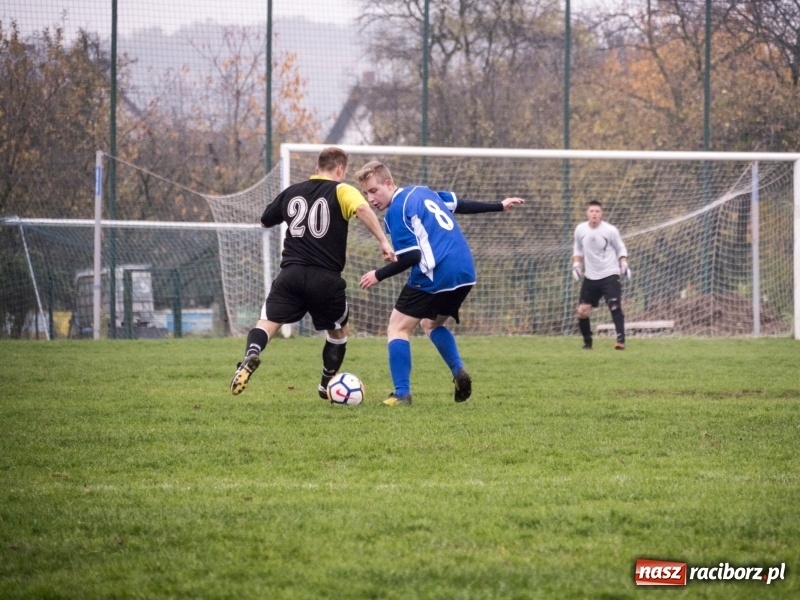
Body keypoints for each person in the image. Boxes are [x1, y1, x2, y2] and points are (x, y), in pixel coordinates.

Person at [354, 160, 524, 406]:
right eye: (366, 193)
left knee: (398, 328)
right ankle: (458, 371)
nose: (370, 199)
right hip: (465, 271)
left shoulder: (395, 210)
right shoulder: (423, 192)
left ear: (388, 184)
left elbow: (413, 256)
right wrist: (499, 205)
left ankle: (402, 394)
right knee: (431, 324)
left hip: (436, 272)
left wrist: (378, 274)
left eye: (373, 190)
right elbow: (460, 204)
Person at [230, 147, 395, 397]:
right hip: (325, 278)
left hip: (291, 275)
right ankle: (326, 384)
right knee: (339, 332)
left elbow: (265, 220)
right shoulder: (342, 190)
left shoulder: (292, 191)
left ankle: (252, 353)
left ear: (317, 168)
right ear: (340, 169)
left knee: (266, 324)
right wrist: (383, 241)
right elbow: (362, 209)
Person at [572, 200, 630, 350]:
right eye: (591, 211)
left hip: (610, 274)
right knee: (582, 311)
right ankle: (587, 343)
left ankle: (620, 341)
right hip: (591, 277)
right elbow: (578, 250)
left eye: (597, 211)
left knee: (614, 306)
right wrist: (576, 265)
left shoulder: (610, 230)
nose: (594, 214)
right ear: (587, 213)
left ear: (601, 214)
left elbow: (620, 248)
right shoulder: (580, 229)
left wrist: (623, 264)